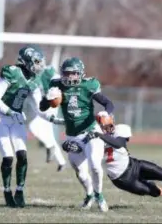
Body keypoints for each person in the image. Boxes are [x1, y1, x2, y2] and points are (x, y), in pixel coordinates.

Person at [0, 45, 63, 208]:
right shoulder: (12, 72)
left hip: (16, 117)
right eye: (36, 62)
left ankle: (19, 191)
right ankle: (7, 191)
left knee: (22, 154)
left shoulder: (34, 80)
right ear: (26, 61)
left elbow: (38, 109)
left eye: (40, 62)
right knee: (8, 156)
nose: (39, 65)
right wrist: (9, 111)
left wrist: (53, 117)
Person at [40, 57, 114, 212]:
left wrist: (106, 113)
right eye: (66, 73)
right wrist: (49, 100)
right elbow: (42, 107)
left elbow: (108, 103)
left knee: (95, 165)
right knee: (80, 172)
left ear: (80, 73)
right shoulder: (56, 84)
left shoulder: (89, 85)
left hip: (91, 131)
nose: (68, 77)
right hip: (72, 135)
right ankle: (89, 195)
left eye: (73, 74)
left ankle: (99, 196)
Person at [82, 114, 162, 197]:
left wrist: (99, 135)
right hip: (122, 179)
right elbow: (80, 150)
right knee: (155, 192)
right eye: (105, 126)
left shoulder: (119, 130)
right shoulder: (93, 141)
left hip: (134, 165)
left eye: (110, 125)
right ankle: (150, 185)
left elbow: (118, 143)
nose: (109, 128)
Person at [27, 64, 66, 171]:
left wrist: (55, 93)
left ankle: (50, 146)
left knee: (33, 126)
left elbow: (58, 79)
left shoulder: (47, 71)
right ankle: (61, 162)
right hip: (43, 106)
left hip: (49, 105)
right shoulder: (30, 75)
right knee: (49, 136)